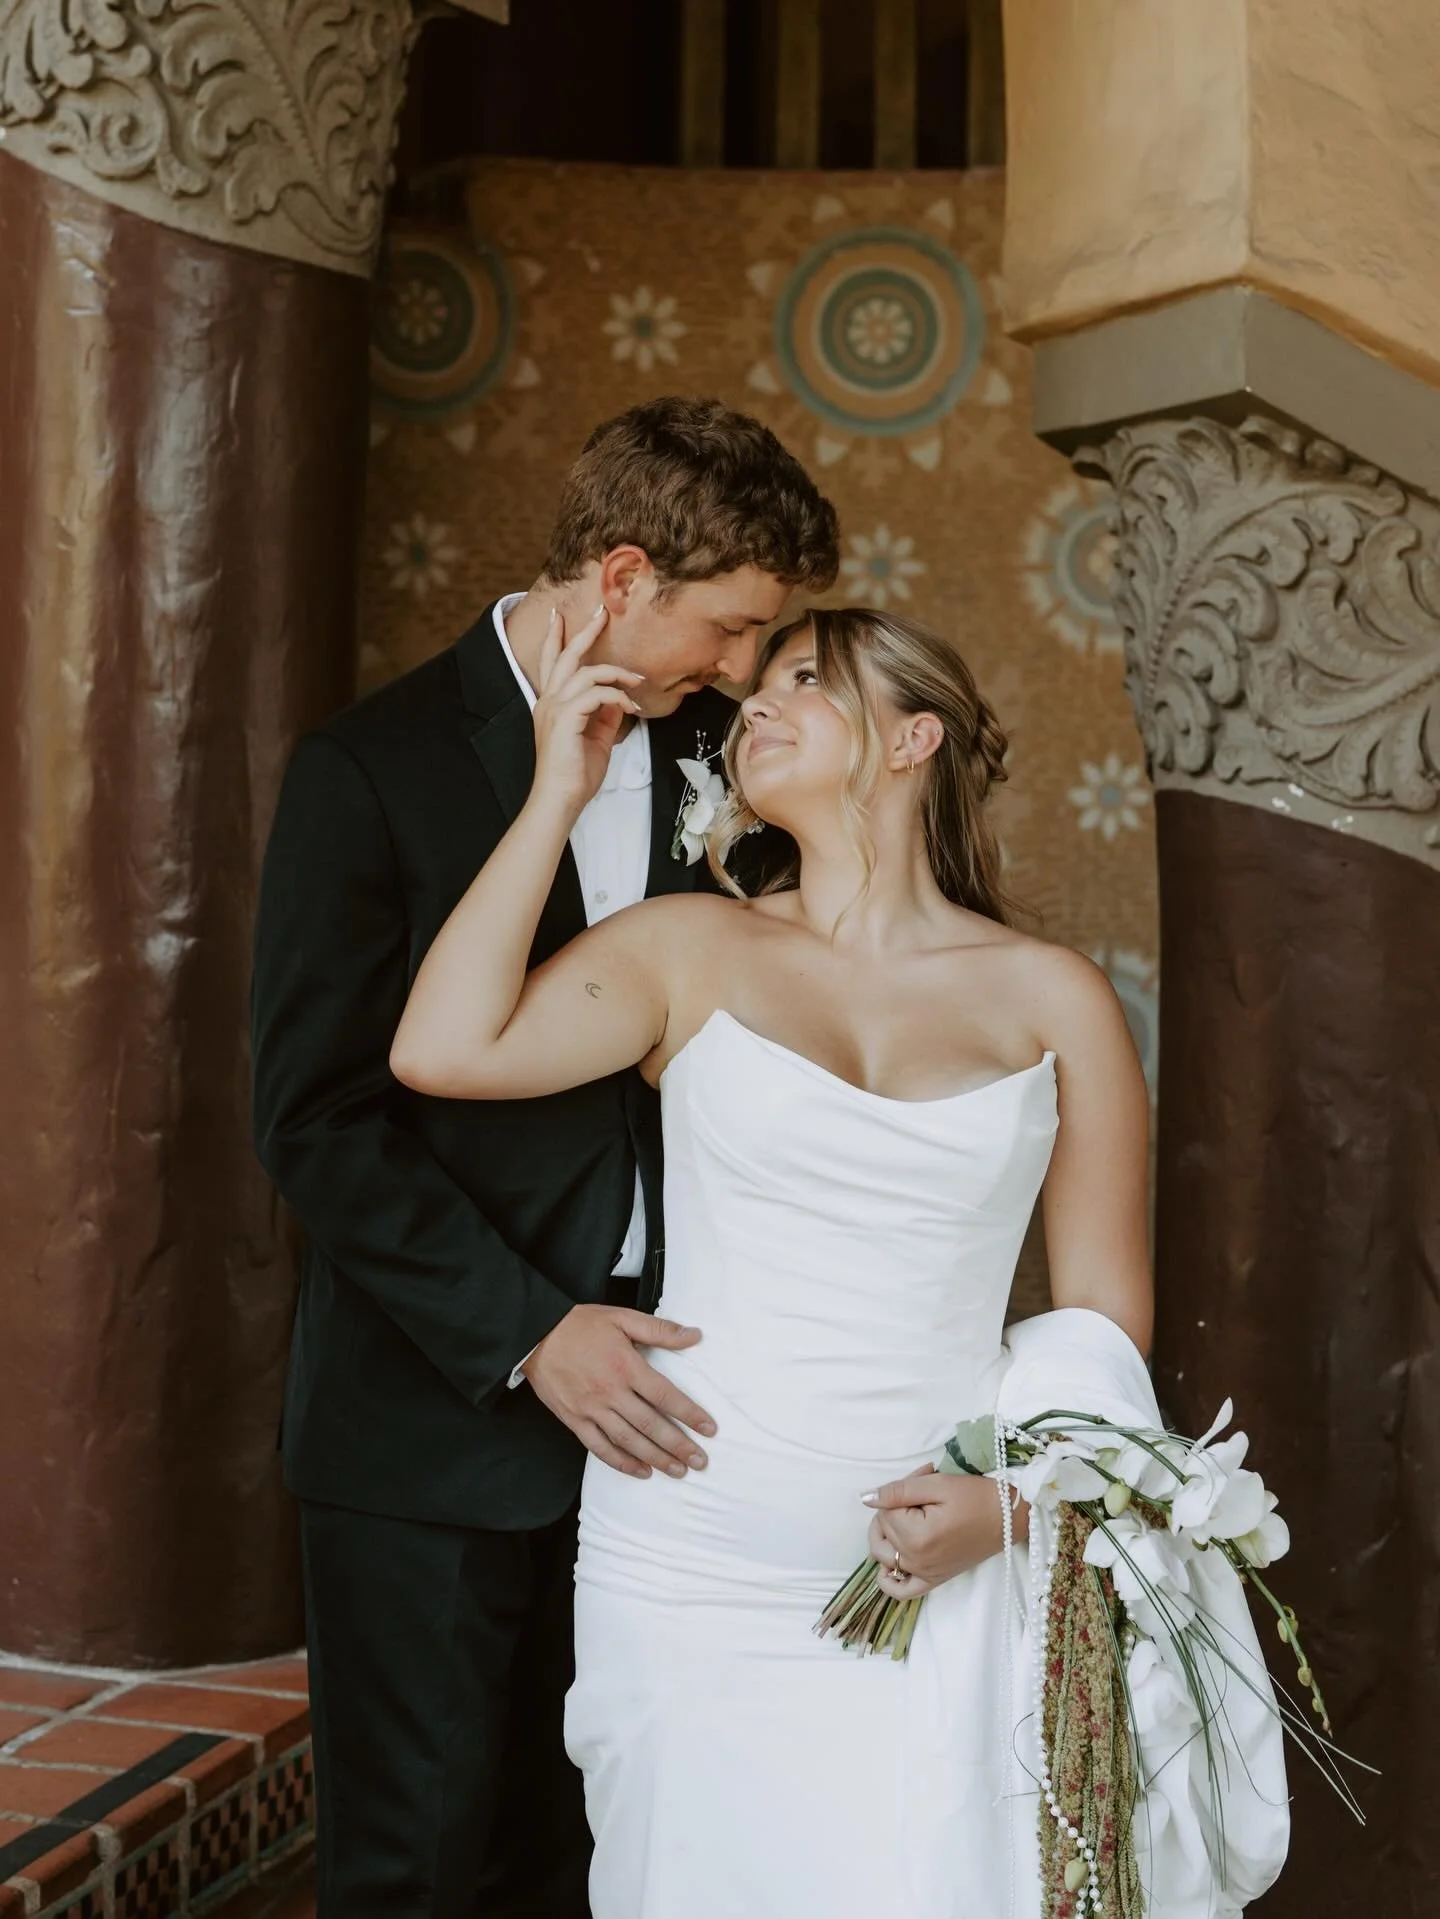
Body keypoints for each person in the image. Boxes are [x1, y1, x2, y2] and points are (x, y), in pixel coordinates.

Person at [391, 605, 1291, 1916]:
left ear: (913, 734)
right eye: (756, 685)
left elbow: (1100, 1327)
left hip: (942, 1584)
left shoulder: (1053, 998)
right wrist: (553, 795)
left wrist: (1019, 1513)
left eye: (804, 679)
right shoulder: (688, 945)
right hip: (689, 1564)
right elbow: (443, 1048)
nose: (755, 703)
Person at [250, 396, 839, 1916]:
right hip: (432, 1429)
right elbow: (313, 1118)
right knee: (421, 1870)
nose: (738, 665)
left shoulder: (739, 757)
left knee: (620, 1856)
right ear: (626, 577)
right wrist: (527, 1332)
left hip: (691, 1418)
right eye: (726, 625)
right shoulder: (365, 768)